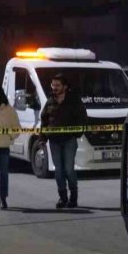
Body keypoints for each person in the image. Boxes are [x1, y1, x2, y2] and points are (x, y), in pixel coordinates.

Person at [40, 74, 88, 209]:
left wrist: (77, 133)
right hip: (54, 140)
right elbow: (44, 119)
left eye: (57, 85)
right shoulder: (50, 101)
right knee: (58, 171)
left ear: (65, 87)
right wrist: (43, 137)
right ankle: (62, 197)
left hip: (69, 140)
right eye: (53, 85)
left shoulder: (74, 100)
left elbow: (83, 117)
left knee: (69, 169)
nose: (54, 88)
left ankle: (73, 197)